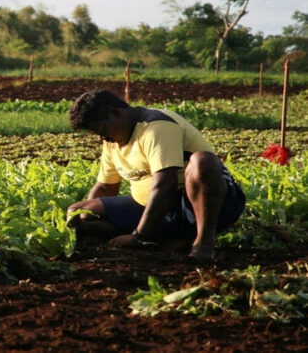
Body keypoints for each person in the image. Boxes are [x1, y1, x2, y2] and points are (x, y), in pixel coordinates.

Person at [65, 89, 246, 261]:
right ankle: (170, 239)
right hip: (157, 211)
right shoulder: (112, 141)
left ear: (116, 113)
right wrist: (81, 224)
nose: (102, 138)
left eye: (102, 130)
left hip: (194, 205)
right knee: (80, 213)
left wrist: (139, 235)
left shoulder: (156, 126)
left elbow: (165, 184)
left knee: (202, 161)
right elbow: (105, 187)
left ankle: (203, 242)